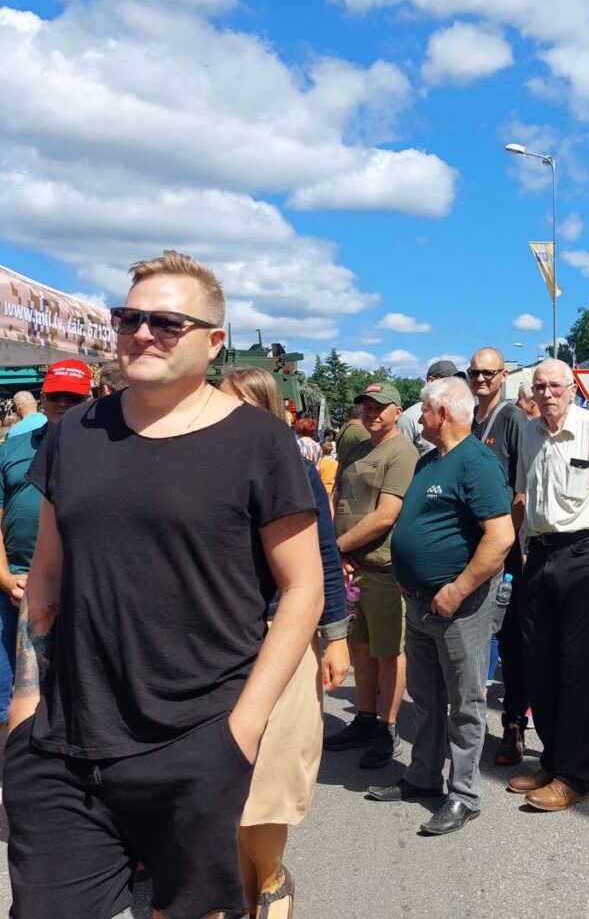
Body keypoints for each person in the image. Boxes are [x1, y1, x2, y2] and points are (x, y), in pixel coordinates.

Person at [4, 250, 324, 919]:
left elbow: (303, 589)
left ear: (214, 341)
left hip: (198, 741)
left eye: (167, 322)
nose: (142, 333)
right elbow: (48, 573)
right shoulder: (74, 434)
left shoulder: (260, 443)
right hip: (66, 742)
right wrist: (27, 704)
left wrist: (242, 730)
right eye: (129, 318)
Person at [220, 367, 350, 919]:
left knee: (270, 771)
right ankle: (239, 879)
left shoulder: (295, 467)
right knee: (223, 772)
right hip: (213, 638)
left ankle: (271, 878)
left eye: (245, 406)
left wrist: (336, 636)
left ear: (270, 412)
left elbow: (323, 556)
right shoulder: (198, 462)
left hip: (282, 632)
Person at [370, 378, 514, 836]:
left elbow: (501, 538)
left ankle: (465, 794)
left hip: (459, 607)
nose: (419, 418)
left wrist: (458, 589)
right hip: (419, 604)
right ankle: (423, 776)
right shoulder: (430, 460)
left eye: (424, 410)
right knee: (427, 698)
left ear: (443, 413)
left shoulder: (477, 463)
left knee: (465, 702)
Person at [508, 359, 589, 811]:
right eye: (539, 386)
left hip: (585, 552)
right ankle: (551, 762)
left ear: (572, 389)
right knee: (538, 664)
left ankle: (573, 777)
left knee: (577, 668)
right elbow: (521, 495)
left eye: (555, 386)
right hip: (540, 553)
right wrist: (516, 546)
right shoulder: (528, 432)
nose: (546, 393)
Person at [328, 381, 418, 768]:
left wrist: (338, 547)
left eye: (380, 406)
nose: (372, 412)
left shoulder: (402, 453)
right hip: (351, 567)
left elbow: (386, 516)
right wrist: (338, 551)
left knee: (388, 651)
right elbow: (335, 498)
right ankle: (365, 718)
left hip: (383, 569)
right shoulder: (357, 448)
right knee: (360, 648)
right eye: (366, 405)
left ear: (398, 411)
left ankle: (387, 726)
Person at [0, 360, 91, 738]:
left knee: (73, 688)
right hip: (13, 584)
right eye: (56, 396)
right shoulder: (14, 447)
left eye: (74, 397)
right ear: (43, 396)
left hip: (77, 588)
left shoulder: (104, 449)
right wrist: (6, 578)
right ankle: (13, 759)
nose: (64, 404)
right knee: (7, 690)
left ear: (89, 398)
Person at [467, 347, 529, 765]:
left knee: (510, 639)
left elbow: (522, 489)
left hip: (505, 549)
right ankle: (469, 725)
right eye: (474, 372)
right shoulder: (468, 418)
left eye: (489, 373)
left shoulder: (512, 419)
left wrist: (509, 542)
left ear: (504, 375)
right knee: (473, 636)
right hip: (470, 547)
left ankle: (513, 724)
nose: (481, 379)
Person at [399, 360, 465, 455]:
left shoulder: (461, 414)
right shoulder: (409, 417)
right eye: (450, 381)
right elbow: (402, 456)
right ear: (431, 381)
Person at [334, 403, 370, 470]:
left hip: (342, 470)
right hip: (356, 472)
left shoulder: (342, 430)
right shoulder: (361, 432)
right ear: (363, 415)